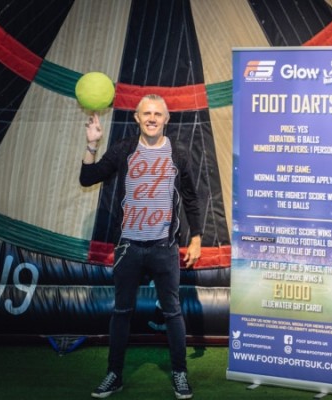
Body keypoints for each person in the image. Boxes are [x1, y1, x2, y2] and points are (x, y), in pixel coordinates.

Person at [80, 94, 202, 399]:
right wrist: (92, 145)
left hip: (164, 248)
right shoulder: (124, 149)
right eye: (146, 113)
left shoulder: (178, 153)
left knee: (173, 312)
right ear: (137, 118)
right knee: (121, 311)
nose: (152, 118)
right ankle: (114, 375)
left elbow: (190, 197)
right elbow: (87, 177)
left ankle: (179, 373)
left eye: (157, 114)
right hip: (128, 248)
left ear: (166, 119)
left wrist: (197, 238)